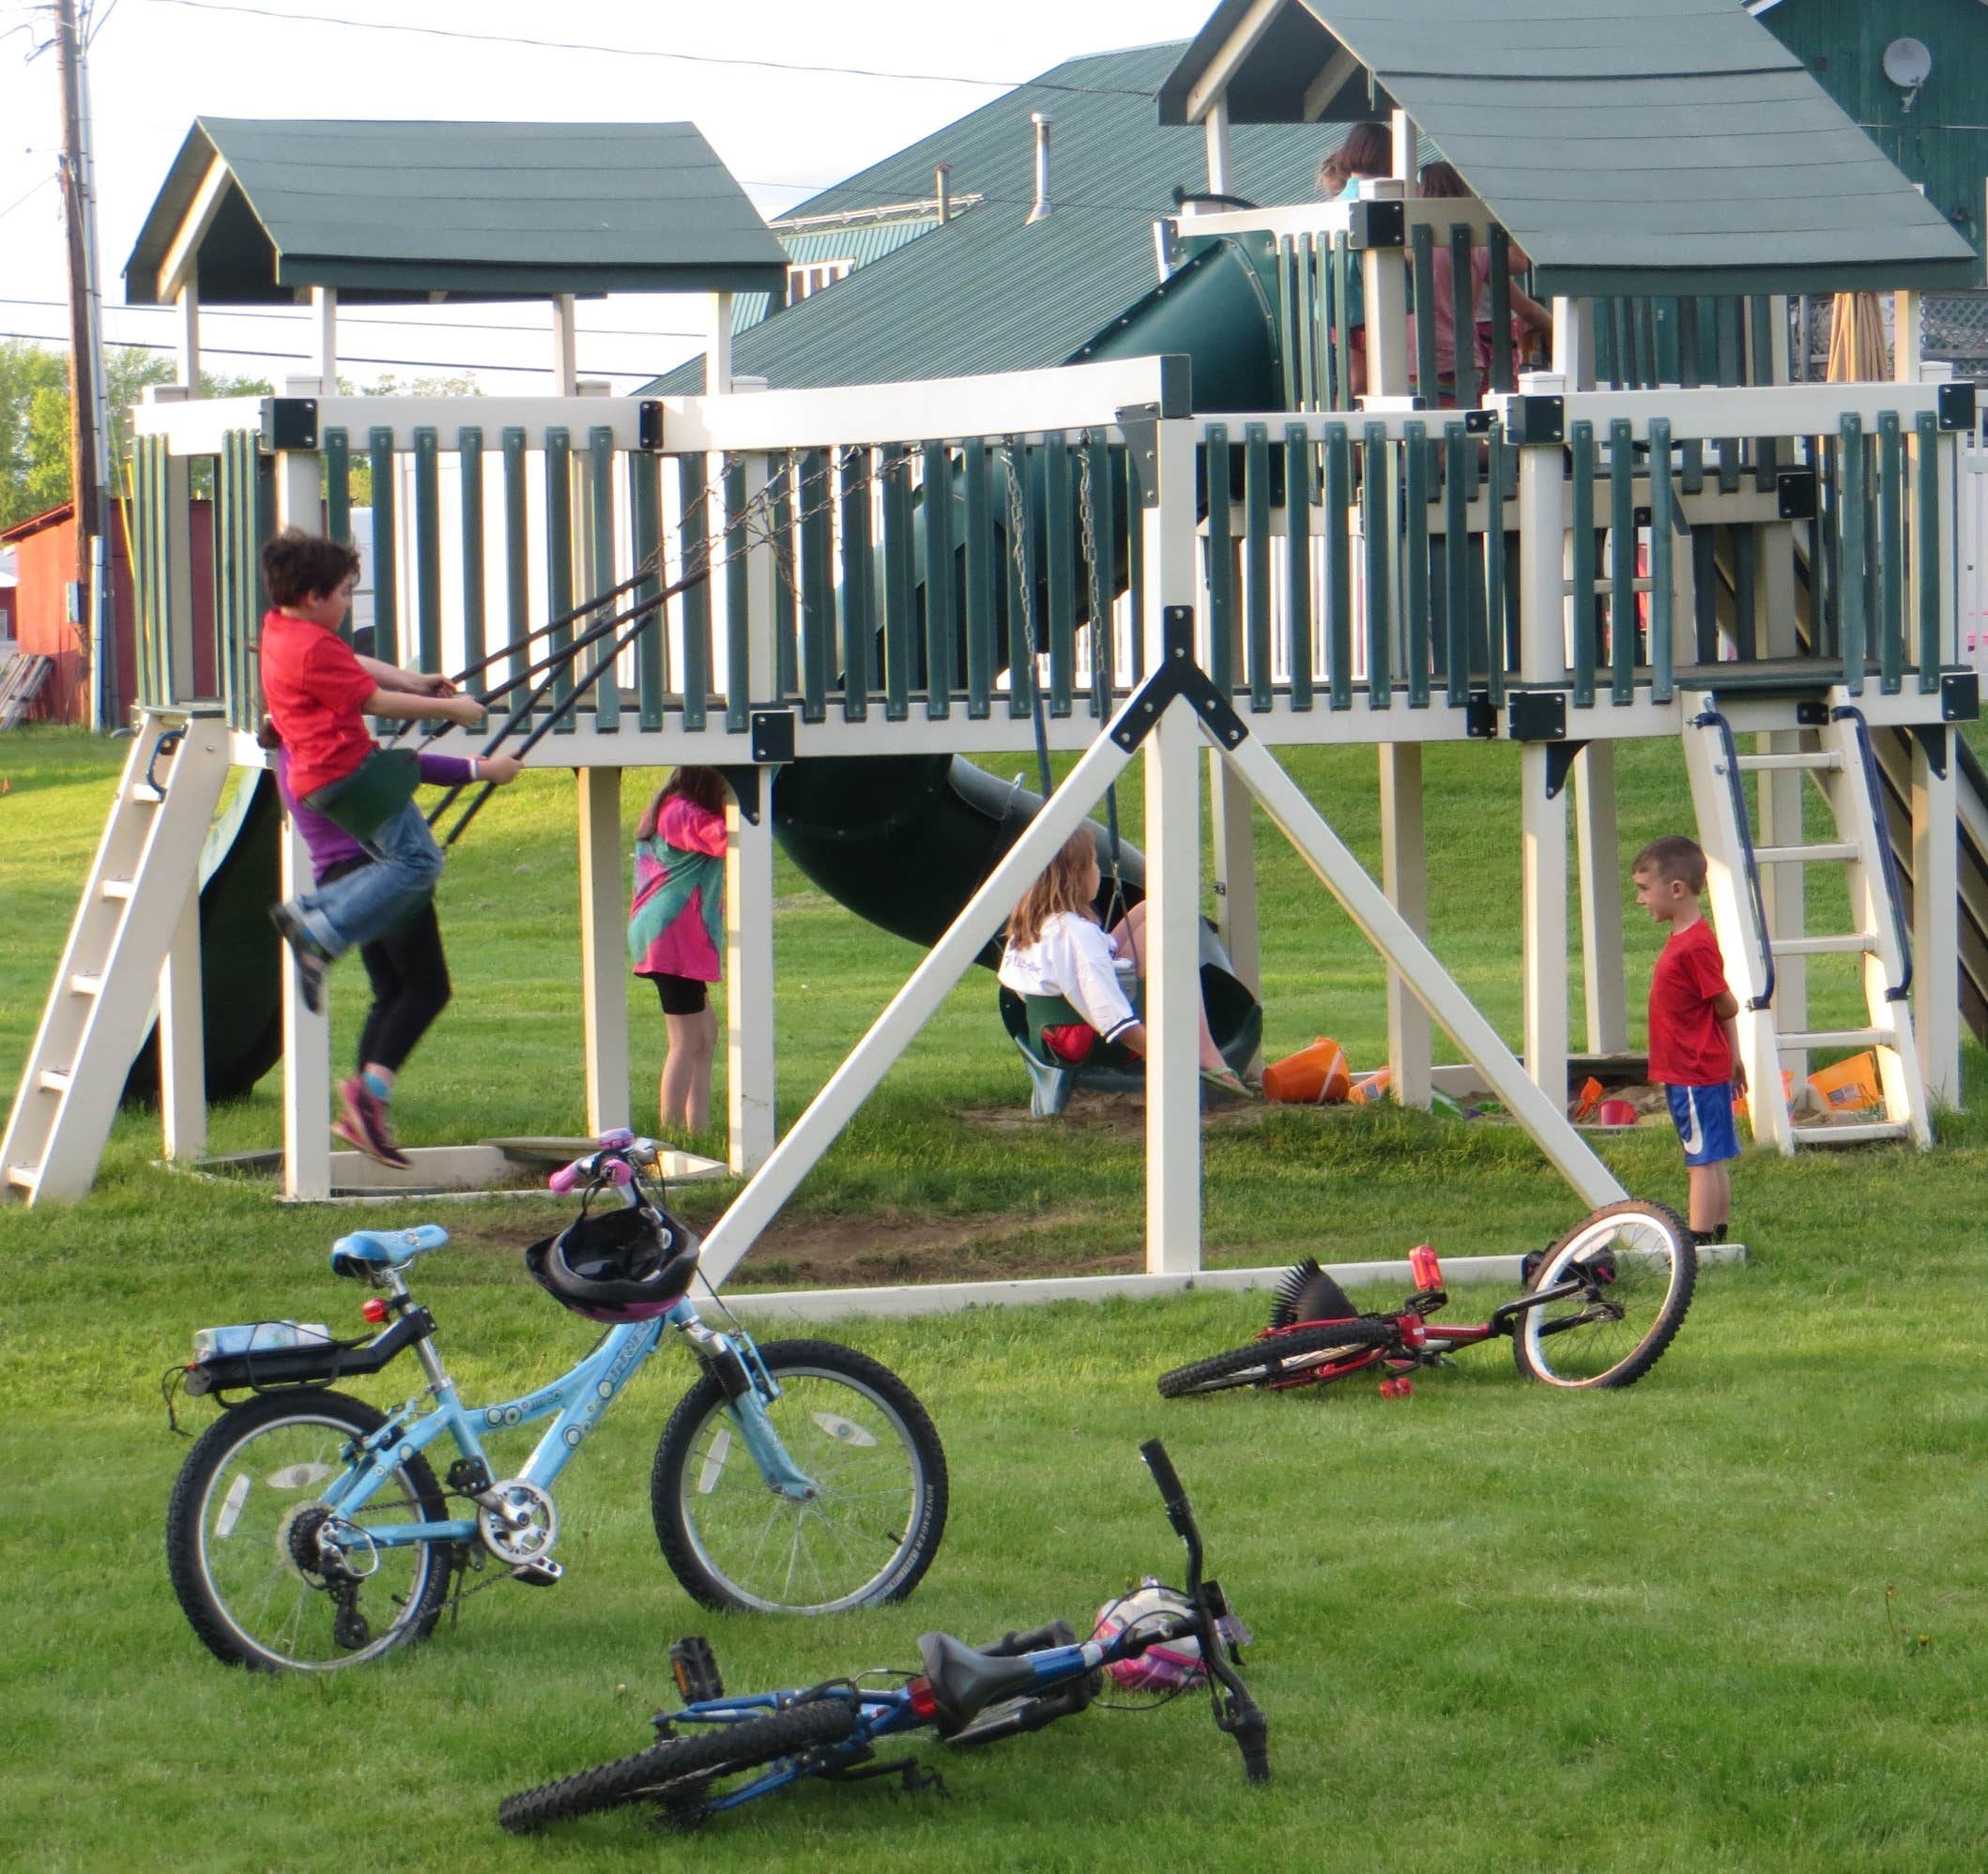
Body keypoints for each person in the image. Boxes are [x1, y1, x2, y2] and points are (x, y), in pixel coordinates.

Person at [262, 720, 522, 1167]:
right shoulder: (322, 749)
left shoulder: (289, 756)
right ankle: (370, 1097)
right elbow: (406, 768)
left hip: (343, 882)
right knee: (426, 988)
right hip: (380, 877)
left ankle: (365, 1112)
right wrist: (484, 770)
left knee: (391, 992)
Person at [258, 529, 485, 1014]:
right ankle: (320, 929)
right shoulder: (313, 648)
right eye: (344, 593)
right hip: (351, 775)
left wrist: (413, 679)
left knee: (394, 864)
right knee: (420, 865)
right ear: (314, 595)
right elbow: (375, 702)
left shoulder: (282, 629)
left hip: (317, 781)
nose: (347, 604)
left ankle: (311, 914)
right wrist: (453, 711)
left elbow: (352, 663)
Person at [999, 823, 1248, 1098]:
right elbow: (1110, 1016)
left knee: (1158, 908)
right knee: (1175, 935)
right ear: (1076, 876)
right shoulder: (1076, 935)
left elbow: (1022, 984)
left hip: (1048, 1032)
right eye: (1094, 862)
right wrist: (1167, 1058)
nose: (1098, 870)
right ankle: (1203, 1051)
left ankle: (1203, 1049)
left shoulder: (1034, 925)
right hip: (1089, 1042)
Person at [1632, 835, 1744, 1247]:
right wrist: (1734, 1057)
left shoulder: (1692, 947)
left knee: (1700, 1160)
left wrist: (1730, 1043)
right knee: (1711, 1156)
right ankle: (1716, 1232)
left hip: (1692, 1071)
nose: (1641, 900)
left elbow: (1724, 1004)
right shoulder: (1691, 939)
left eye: (1645, 889)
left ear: (1676, 889)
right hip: (1702, 1067)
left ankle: (1697, 1242)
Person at [629, 767, 729, 1134]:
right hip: (670, 936)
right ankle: (669, 1135)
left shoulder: (668, 806)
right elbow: (725, 838)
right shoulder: (681, 813)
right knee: (685, 1040)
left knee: (706, 1034)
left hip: (670, 935)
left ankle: (697, 1130)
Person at [1411, 161, 1553, 400]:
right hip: (1468, 353)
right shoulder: (1478, 247)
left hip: (1422, 357)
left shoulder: (1413, 249)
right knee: (1472, 421)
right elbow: (1520, 274)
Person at [1317, 121, 1392, 400]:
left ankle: (1346, 440)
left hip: (1341, 303)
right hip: (1370, 302)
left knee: (1353, 381)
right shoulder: (1385, 197)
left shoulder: (1338, 202)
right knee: (1367, 381)